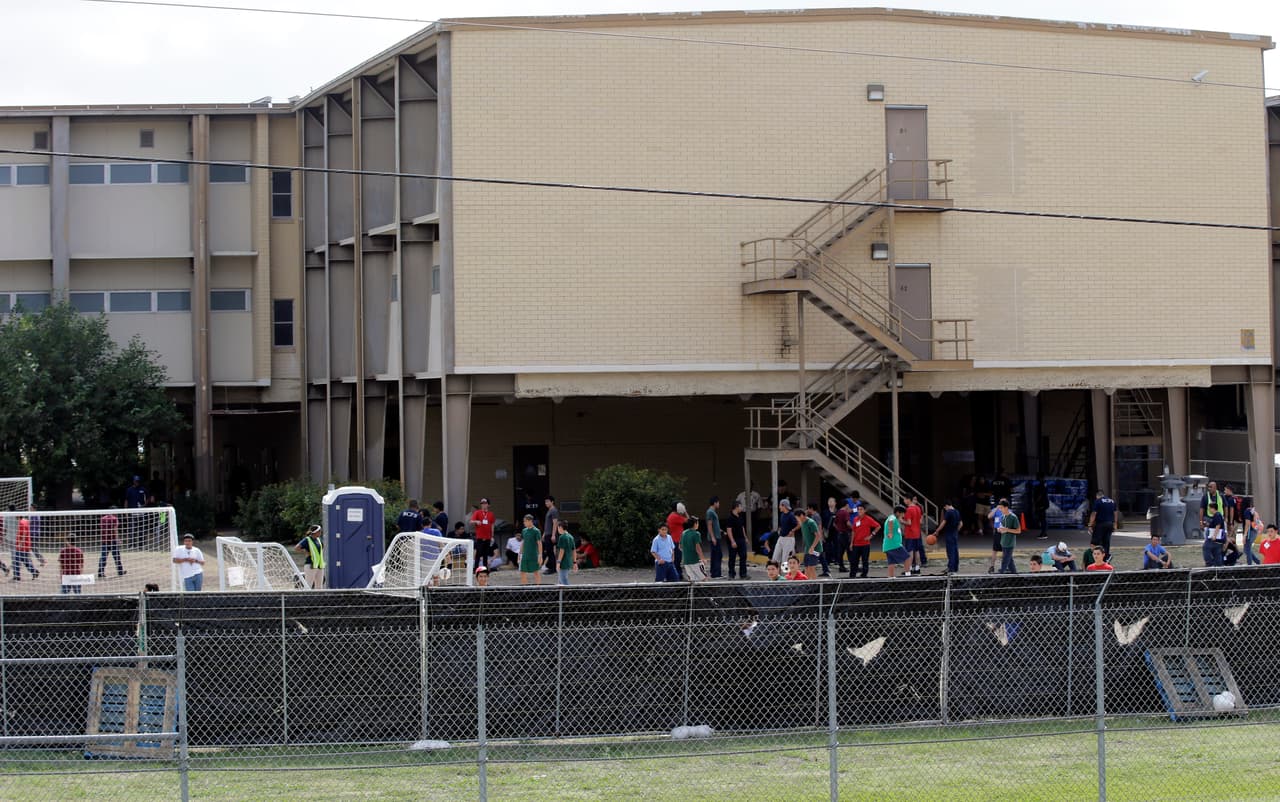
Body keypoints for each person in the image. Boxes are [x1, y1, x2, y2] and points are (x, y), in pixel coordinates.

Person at [931, 499, 962, 574]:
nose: (945, 509)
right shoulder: (957, 512)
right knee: (955, 551)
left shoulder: (949, 512)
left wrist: (937, 531)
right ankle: (955, 567)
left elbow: (943, 523)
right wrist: (956, 530)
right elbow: (961, 523)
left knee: (950, 552)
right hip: (954, 534)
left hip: (949, 534)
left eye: (945, 508)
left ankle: (950, 568)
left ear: (946, 506)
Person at [848, 503, 879, 578]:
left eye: (861, 509)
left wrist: (871, 535)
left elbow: (878, 526)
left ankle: (864, 574)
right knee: (854, 561)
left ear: (865, 510)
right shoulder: (855, 519)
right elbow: (853, 531)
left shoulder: (868, 519)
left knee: (865, 561)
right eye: (858, 509)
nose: (859, 511)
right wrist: (851, 543)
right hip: (856, 544)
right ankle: (852, 575)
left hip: (865, 544)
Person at [882, 504, 910, 579]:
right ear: (898, 513)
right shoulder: (892, 517)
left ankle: (891, 577)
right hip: (894, 544)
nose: (903, 515)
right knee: (907, 558)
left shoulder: (895, 519)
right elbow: (890, 522)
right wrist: (890, 533)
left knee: (891, 562)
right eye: (902, 513)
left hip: (888, 545)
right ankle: (908, 575)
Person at [1087, 490, 1117, 562]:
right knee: (1106, 542)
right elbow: (1115, 513)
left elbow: (1094, 514)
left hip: (1100, 524)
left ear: (1097, 496)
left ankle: (1094, 560)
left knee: (1094, 543)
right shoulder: (1112, 501)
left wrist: (1090, 525)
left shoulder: (1098, 501)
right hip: (1110, 524)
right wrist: (1115, 524)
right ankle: (1106, 559)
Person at [294, 524, 325, 589]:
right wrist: (306, 552)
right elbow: (296, 548)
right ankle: (306, 598)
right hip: (310, 565)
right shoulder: (307, 539)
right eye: (319, 531)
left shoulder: (319, 540)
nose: (320, 532)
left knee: (319, 586)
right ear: (315, 532)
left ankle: (318, 598)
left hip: (319, 565)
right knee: (308, 585)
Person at [723, 500, 748, 579]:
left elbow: (742, 527)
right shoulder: (730, 518)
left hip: (741, 539)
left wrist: (745, 537)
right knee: (732, 558)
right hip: (734, 540)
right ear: (736, 507)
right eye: (741, 506)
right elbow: (729, 530)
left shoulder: (740, 516)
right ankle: (731, 574)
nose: (742, 508)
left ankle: (743, 574)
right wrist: (732, 541)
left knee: (743, 556)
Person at [97, 508, 126, 578]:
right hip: (112, 540)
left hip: (104, 541)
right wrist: (118, 539)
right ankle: (120, 571)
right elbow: (115, 530)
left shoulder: (102, 519)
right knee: (117, 557)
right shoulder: (114, 519)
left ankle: (100, 572)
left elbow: (101, 529)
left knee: (103, 557)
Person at [11, 511, 39, 581]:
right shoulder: (26, 521)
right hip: (26, 545)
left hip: (22, 546)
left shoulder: (21, 522)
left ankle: (17, 576)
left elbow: (24, 533)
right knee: (25, 561)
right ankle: (34, 572)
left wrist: (20, 544)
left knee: (16, 561)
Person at [902, 494, 925, 575]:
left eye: (904, 499)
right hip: (917, 532)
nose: (904, 501)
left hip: (910, 533)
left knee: (910, 551)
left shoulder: (908, 510)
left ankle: (909, 568)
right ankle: (917, 568)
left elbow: (908, 522)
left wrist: (901, 520)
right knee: (917, 551)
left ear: (908, 499)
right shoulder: (918, 508)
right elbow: (920, 521)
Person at [799, 505, 824, 579]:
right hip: (808, 549)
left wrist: (813, 547)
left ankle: (815, 585)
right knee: (806, 567)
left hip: (815, 549)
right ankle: (807, 585)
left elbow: (817, 535)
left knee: (811, 568)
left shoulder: (811, 522)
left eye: (797, 517)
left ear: (801, 516)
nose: (796, 519)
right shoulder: (802, 523)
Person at [996, 498, 1020, 574]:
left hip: (1010, 543)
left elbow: (1018, 531)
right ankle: (1015, 575)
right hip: (1003, 542)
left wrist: (1007, 529)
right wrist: (1000, 529)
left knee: (1005, 560)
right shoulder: (1002, 517)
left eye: (1001, 508)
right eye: (999, 508)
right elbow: (1001, 528)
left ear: (1006, 507)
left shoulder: (1013, 517)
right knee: (1010, 562)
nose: (1000, 509)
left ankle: (1001, 573)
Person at [470, 498, 496, 567]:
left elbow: (492, 525)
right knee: (478, 553)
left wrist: (492, 536)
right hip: (480, 537)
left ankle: (485, 568)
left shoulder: (491, 514)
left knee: (485, 554)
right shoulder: (477, 512)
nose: (483, 505)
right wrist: (476, 521)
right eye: (482, 504)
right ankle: (475, 568)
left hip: (488, 537)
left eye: (485, 503)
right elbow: (471, 521)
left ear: (488, 505)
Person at [773, 499, 798, 572]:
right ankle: (777, 576)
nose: (779, 507)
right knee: (775, 557)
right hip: (781, 538)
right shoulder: (782, 515)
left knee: (785, 560)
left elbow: (798, 524)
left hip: (788, 539)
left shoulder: (791, 515)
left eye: (780, 505)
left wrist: (792, 531)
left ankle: (786, 578)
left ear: (784, 506)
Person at [681, 516, 707, 582]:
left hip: (686, 561)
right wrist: (703, 558)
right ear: (695, 524)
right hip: (695, 560)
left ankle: (693, 592)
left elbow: (680, 546)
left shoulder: (684, 533)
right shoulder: (696, 534)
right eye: (697, 523)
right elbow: (698, 548)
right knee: (704, 578)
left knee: (692, 580)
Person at [519, 514, 542, 585]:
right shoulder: (524, 530)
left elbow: (539, 543)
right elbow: (523, 542)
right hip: (525, 555)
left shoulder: (536, 531)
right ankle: (525, 589)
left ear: (530, 521)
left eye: (525, 521)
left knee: (536, 572)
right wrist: (519, 553)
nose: (524, 523)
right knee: (522, 572)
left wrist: (540, 555)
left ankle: (538, 589)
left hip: (533, 555)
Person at [831, 498, 853, 573]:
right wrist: (853, 528)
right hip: (845, 534)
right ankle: (853, 566)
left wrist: (839, 529)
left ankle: (841, 566)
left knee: (840, 551)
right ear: (846, 505)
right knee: (849, 550)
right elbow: (848, 523)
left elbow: (834, 524)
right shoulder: (845, 513)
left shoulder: (838, 512)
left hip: (839, 534)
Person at [665, 502, 688, 573]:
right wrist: (685, 511)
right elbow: (689, 521)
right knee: (677, 559)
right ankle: (678, 575)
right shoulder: (675, 516)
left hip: (675, 539)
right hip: (676, 540)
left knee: (677, 558)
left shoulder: (672, 515)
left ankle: (677, 574)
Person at [705, 496, 723, 579]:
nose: (719, 504)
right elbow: (709, 525)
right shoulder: (710, 512)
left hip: (717, 535)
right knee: (717, 555)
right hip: (714, 537)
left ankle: (716, 572)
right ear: (715, 503)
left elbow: (715, 525)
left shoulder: (713, 512)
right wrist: (713, 537)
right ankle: (716, 574)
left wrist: (721, 531)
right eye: (718, 502)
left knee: (717, 555)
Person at [554, 520, 576, 586]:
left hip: (563, 562)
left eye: (558, 527)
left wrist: (558, 562)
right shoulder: (571, 537)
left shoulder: (562, 537)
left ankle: (570, 594)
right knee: (561, 581)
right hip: (569, 562)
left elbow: (561, 551)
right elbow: (574, 550)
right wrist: (575, 562)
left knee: (564, 582)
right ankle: (561, 595)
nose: (557, 529)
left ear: (560, 527)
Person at [1240, 500, 1262, 565]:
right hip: (1254, 531)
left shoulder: (1247, 511)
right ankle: (1257, 561)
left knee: (1247, 549)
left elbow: (1247, 523)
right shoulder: (1253, 511)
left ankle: (1250, 564)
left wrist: (1244, 535)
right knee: (1246, 549)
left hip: (1249, 532)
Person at [542, 496, 560, 574]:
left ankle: (552, 568)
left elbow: (555, 523)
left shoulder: (554, 510)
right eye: (545, 502)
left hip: (551, 534)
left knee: (550, 551)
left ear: (552, 502)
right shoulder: (549, 510)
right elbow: (547, 524)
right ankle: (551, 566)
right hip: (547, 533)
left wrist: (553, 535)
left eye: (548, 501)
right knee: (548, 551)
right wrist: (544, 534)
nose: (546, 503)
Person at [1032, 473, 1050, 539]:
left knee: (1042, 519)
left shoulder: (1041, 485)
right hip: (1042, 504)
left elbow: (1040, 495)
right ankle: (1043, 532)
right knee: (1041, 518)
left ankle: (1044, 533)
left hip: (1041, 504)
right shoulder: (1043, 484)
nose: (1036, 478)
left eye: (1037, 477)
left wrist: (1036, 502)